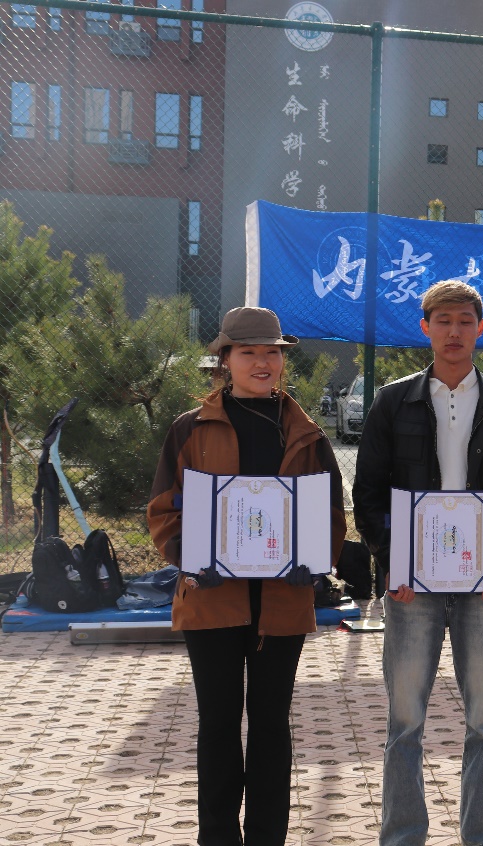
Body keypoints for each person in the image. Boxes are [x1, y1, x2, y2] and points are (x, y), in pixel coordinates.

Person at [352, 279, 483, 846]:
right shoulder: (394, 402)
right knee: (404, 721)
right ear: (425, 328)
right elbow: (368, 492)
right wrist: (392, 563)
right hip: (412, 586)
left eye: (465, 321)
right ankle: (403, 835)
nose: (454, 331)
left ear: (480, 328)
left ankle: (481, 834)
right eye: (443, 321)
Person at [148, 306, 346, 846]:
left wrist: (316, 561)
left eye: (272, 352)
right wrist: (191, 557)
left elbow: (331, 513)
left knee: (271, 725)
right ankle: (216, 837)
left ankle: (266, 837)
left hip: (282, 602)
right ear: (225, 360)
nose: (263, 362)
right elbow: (163, 509)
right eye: (249, 352)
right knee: (216, 724)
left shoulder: (307, 434)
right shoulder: (190, 429)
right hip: (211, 600)